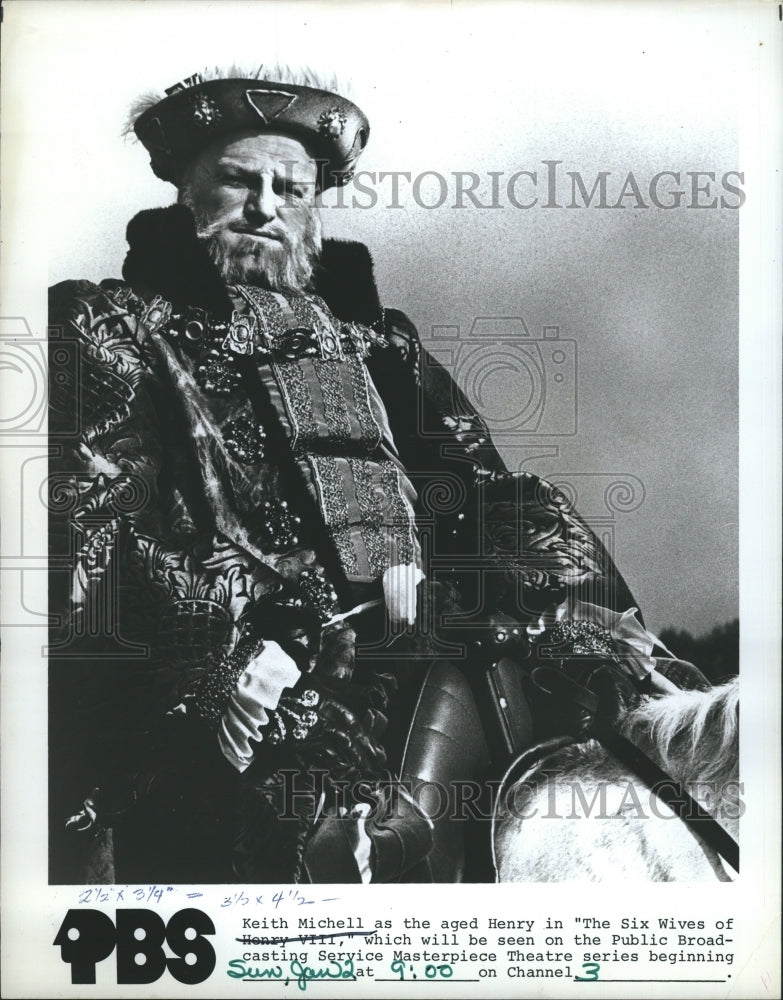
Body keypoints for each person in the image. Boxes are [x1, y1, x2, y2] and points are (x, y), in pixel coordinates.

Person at [48, 68, 704, 886]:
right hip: (244, 681)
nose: (264, 206)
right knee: (320, 847)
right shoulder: (109, 326)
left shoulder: (378, 344)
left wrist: (567, 605)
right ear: (187, 189)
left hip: (431, 655)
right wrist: (233, 651)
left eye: (289, 188)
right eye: (238, 180)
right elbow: (98, 522)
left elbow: (483, 487)